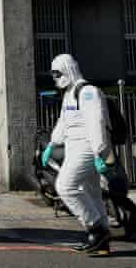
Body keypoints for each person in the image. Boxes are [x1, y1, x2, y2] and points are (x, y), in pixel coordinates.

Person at [41, 53, 115, 256]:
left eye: (58, 73)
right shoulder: (70, 94)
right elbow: (64, 123)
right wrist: (52, 144)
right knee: (91, 192)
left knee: (65, 186)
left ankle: (96, 228)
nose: (56, 78)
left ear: (68, 69)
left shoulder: (88, 92)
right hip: (74, 147)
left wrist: (99, 151)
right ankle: (103, 241)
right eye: (53, 74)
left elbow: (96, 122)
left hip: (86, 148)